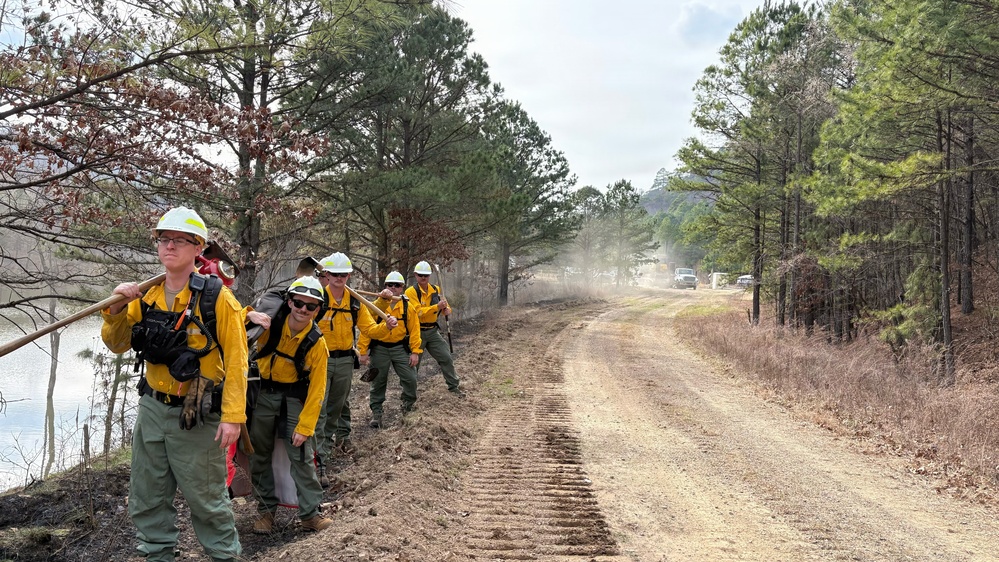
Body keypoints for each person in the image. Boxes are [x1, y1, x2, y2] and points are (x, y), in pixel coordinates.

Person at [101, 206, 247, 562]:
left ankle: (225, 556)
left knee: (207, 499)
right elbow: (117, 344)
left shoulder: (218, 298)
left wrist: (233, 416)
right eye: (164, 239)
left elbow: (238, 360)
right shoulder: (144, 296)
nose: (170, 246)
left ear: (198, 248)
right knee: (148, 495)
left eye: (180, 240)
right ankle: (157, 555)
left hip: (196, 412)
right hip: (152, 408)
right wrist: (116, 310)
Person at [244, 276, 333, 534]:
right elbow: (232, 328)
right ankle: (265, 512)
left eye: (311, 306)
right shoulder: (269, 323)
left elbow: (318, 389)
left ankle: (310, 515)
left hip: (294, 398)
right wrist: (248, 316)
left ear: (318, 309)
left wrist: (305, 426)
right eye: (298, 302)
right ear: (289, 301)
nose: (303, 309)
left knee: (302, 457)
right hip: (262, 394)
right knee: (259, 454)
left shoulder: (317, 343)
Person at [314, 253, 374, 482]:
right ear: (326, 275)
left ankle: (325, 455)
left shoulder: (356, 301)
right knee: (318, 410)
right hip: (320, 361)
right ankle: (316, 462)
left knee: (335, 410)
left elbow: (369, 328)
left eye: (344, 274)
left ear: (349, 275)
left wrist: (388, 325)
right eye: (334, 274)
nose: (339, 278)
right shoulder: (317, 298)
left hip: (345, 362)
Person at [356, 271, 422, 428]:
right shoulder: (376, 306)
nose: (393, 288)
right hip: (380, 349)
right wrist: (363, 351)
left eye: (397, 285)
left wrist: (415, 352)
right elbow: (367, 329)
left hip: (400, 348)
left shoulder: (408, 307)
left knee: (410, 379)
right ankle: (377, 413)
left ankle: (407, 407)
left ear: (402, 288)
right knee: (378, 382)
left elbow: (415, 330)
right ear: (385, 286)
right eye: (389, 285)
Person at [406, 261, 463, 396]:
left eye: (426, 275)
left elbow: (445, 309)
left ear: (430, 275)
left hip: (432, 331)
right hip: (416, 332)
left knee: (446, 357)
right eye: (420, 275)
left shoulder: (437, 290)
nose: (423, 278)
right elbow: (417, 312)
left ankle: (454, 387)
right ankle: (409, 396)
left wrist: (446, 310)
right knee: (413, 364)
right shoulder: (411, 292)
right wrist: (437, 307)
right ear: (415, 275)